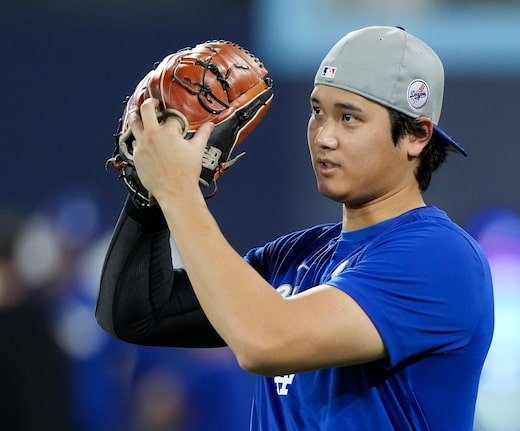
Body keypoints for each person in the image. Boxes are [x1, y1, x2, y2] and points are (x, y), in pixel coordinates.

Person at [96, 26, 494, 430]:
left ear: (417, 135)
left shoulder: (442, 257)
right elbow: (138, 315)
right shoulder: (297, 255)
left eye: (349, 117)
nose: (324, 136)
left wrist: (178, 190)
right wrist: (148, 196)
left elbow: (266, 341)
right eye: (317, 111)